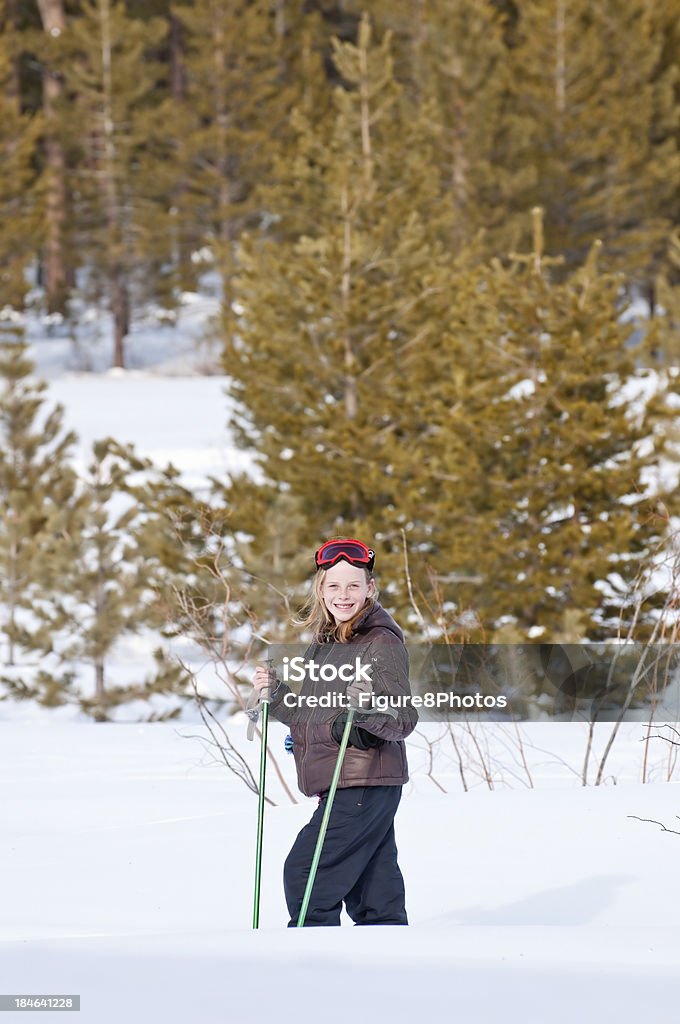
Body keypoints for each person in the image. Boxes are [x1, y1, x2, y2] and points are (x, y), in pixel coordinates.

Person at [252, 537, 418, 927]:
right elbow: (310, 716)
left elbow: (401, 718)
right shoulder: (328, 643)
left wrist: (358, 722)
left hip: (361, 782)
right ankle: (382, 966)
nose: (343, 595)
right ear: (321, 590)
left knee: (306, 876)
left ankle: (314, 966)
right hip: (349, 782)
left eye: (353, 586)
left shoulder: (379, 641)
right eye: (334, 586)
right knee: (375, 895)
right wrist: (275, 695)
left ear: (369, 589)